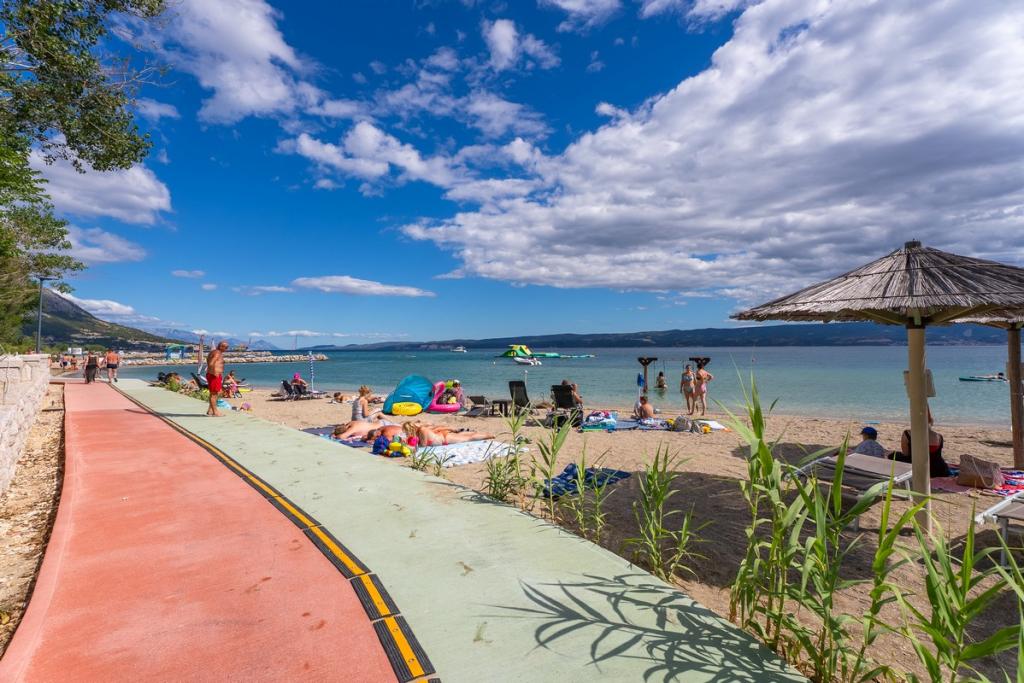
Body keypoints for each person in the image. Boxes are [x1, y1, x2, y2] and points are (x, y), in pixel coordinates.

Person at [894, 409, 951, 477]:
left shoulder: (907, 434)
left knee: (893, 456)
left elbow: (906, 454)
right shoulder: (939, 436)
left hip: (918, 467)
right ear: (931, 422)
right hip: (938, 469)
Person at [403, 422, 494, 447]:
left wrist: (409, 444)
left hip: (445, 439)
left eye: (406, 432)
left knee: (468, 438)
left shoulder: (422, 431)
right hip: (443, 436)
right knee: (465, 436)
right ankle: (482, 433)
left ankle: (490, 436)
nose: (406, 434)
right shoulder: (420, 430)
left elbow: (423, 445)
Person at [206, 340, 229, 417]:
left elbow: (209, 361)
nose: (226, 349)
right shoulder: (217, 353)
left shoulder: (213, 352)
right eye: (226, 347)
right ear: (221, 346)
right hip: (214, 375)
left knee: (216, 393)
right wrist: (214, 372)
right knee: (214, 394)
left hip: (213, 375)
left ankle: (210, 410)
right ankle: (215, 412)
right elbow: (211, 363)